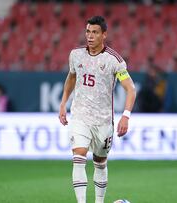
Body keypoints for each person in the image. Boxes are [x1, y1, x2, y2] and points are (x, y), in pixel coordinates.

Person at [58, 16, 136, 203]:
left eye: (94, 32)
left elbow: (131, 89)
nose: (90, 36)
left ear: (104, 35)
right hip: (80, 116)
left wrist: (126, 116)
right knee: (79, 156)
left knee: (100, 163)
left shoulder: (114, 60)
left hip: (103, 120)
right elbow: (71, 77)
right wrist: (63, 103)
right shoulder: (76, 55)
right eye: (88, 32)